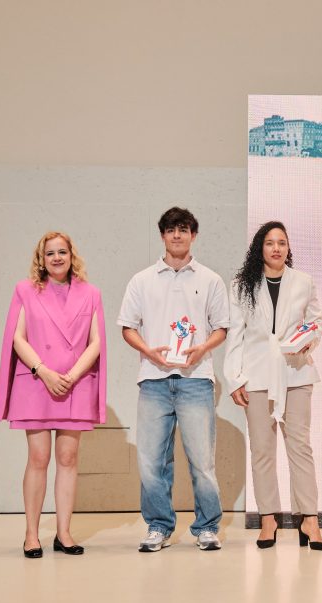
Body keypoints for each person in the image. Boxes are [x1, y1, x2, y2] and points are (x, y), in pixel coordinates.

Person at [118, 207, 229, 552]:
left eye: (183, 229)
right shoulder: (142, 280)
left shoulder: (210, 279)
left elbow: (221, 328)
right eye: (170, 230)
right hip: (153, 381)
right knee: (152, 462)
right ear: (162, 236)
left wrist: (202, 348)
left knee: (202, 462)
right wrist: (149, 352)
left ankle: (207, 527)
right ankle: (158, 526)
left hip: (196, 380)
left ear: (193, 235)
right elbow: (127, 327)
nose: (177, 235)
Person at [0, 231, 106, 558]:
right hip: (36, 382)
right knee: (38, 458)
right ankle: (31, 534)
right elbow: (18, 337)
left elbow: (96, 342)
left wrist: (72, 375)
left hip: (76, 382)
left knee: (68, 459)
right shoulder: (25, 290)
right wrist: (43, 371)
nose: (56, 258)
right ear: (41, 259)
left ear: (72, 256)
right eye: (50, 253)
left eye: (62, 252)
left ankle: (64, 533)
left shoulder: (91, 293)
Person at [224, 221, 322, 551]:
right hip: (256, 375)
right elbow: (235, 334)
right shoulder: (241, 285)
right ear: (260, 247)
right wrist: (234, 378)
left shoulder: (303, 281)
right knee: (262, 450)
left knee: (300, 447)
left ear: (288, 247)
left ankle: (309, 518)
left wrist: (308, 341)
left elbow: (316, 322)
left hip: (295, 373)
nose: (277, 248)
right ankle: (268, 518)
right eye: (270, 242)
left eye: (282, 242)